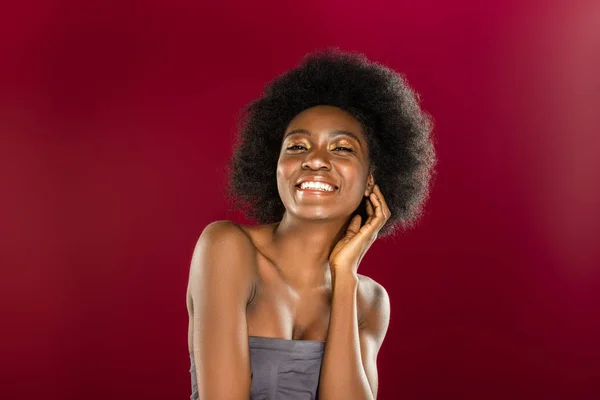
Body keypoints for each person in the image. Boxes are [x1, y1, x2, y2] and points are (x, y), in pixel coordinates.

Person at [186, 48, 436, 399]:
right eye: (297, 146)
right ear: (274, 165)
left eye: (342, 148)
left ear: (370, 180)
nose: (315, 160)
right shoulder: (227, 248)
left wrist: (345, 276)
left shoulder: (370, 301)